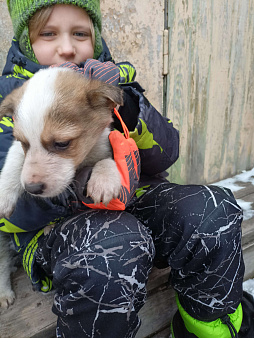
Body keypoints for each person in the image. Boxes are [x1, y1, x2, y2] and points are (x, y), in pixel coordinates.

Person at [0, 1, 253, 337]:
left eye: (80, 33)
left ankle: (208, 327)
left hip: (134, 202)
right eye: (48, 34)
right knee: (113, 244)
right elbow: (15, 205)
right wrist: (78, 180)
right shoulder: (14, 100)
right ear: (25, 42)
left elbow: (166, 155)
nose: (65, 47)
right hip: (56, 234)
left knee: (212, 209)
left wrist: (131, 111)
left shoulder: (111, 84)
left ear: (97, 38)